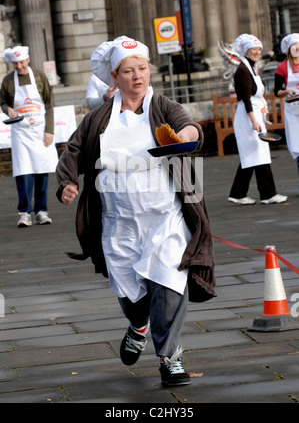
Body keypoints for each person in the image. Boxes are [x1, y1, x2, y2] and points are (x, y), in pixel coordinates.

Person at [56, 35, 216, 387]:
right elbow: (73, 150)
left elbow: (190, 127)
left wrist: (182, 138)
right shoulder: (99, 117)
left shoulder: (163, 107)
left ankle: (169, 359)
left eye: (142, 68)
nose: (137, 76)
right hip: (119, 223)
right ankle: (137, 325)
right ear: (115, 77)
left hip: (165, 217)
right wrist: (68, 182)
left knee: (169, 284)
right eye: (128, 71)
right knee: (130, 293)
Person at [1, 46, 58, 227]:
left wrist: (50, 130)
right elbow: (2, 101)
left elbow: (49, 104)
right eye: (15, 63)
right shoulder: (8, 80)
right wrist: (7, 109)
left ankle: (41, 211)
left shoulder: (40, 76)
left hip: (40, 131)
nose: (18, 66)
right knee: (23, 171)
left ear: (28, 60)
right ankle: (25, 212)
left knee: (42, 169)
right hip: (21, 132)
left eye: (21, 62)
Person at [228, 34, 287, 205]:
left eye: (259, 49)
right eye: (254, 49)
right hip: (249, 116)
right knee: (257, 153)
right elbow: (245, 98)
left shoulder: (250, 68)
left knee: (253, 154)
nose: (257, 52)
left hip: (253, 114)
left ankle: (238, 193)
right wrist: (254, 120)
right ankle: (268, 193)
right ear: (246, 50)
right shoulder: (243, 71)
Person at [274, 33, 299, 176]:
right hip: (293, 110)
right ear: (289, 49)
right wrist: (286, 91)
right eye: (294, 46)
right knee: (298, 146)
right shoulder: (282, 67)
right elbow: (277, 91)